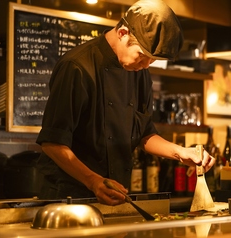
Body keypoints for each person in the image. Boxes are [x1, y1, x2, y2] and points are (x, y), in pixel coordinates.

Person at [36, 0, 216, 205]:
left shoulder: (139, 72)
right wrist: (93, 181)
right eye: (142, 55)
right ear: (123, 33)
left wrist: (180, 152)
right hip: (67, 197)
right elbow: (52, 143)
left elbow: (145, 134)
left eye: (152, 60)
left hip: (115, 195)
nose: (146, 65)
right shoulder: (77, 67)